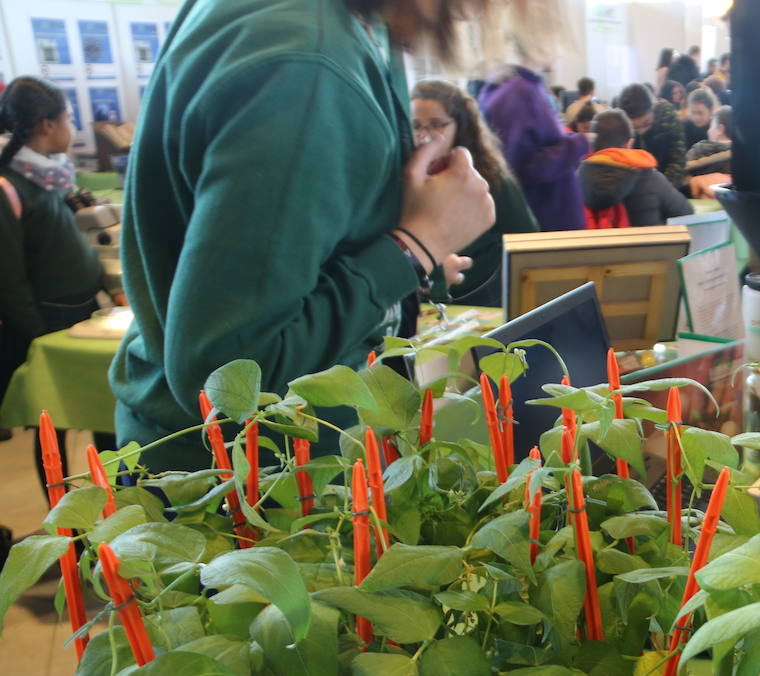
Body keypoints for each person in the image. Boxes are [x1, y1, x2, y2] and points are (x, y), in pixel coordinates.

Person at [110, 0, 498, 472]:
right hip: (253, 483)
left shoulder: (344, 29)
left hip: (280, 456)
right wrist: (416, 245)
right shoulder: (307, 65)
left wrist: (410, 256)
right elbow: (228, 378)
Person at [0, 76, 111, 484]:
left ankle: (119, 499)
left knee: (104, 410)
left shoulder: (52, 177)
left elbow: (69, 243)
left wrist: (106, 285)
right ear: (47, 125)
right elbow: (8, 283)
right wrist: (37, 339)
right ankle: (64, 519)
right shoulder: (10, 186)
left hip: (86, 312)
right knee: (53, 428)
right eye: (68, 118)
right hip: (48, 324)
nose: (73, 127)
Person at [411, 79, 538, 306]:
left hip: (482, 299)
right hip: (423, 302)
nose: (424, 135)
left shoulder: (491, 178)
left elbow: (526, 240)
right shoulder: (406, 177)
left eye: (436, 124)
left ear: (461, 126)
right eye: (416, 125)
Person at [480, 64, 590, 232]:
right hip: (544, 225)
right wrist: (578, 143)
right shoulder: (520, 92)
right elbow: (524, 166)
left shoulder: (511, 87)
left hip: (543, 222)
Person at [579, 109, 692, 227]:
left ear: (591, 145)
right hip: (645, 245)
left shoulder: (575, 179)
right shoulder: (650, 177)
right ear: (629, 144)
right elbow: (686, 212)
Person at [619, 82, 686, 190]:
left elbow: (677, 159)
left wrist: (662, 190)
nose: (641, 131)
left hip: (667, 184)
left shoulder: (666, 114)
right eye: (634, 127)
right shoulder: (619, 125)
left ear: (653, 107)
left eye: (646, 123)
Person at [685, 105, 732, 179]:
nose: (708, 130)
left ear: (720, 129)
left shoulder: (700, 150)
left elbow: (681, 170)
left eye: (711, 126)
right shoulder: (741, 155)